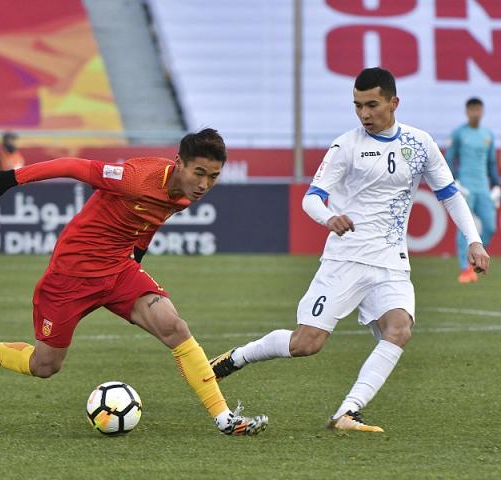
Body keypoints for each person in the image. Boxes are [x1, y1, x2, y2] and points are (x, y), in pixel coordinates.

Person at [210, 67, 490, 432]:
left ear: (394, 102)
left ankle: (347, 412)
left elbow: (450, 195)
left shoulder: (421, 144)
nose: (364, 113)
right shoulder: (346, 146)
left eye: (372, 105)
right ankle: (237, 358)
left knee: (399, 329)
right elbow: (312, 198)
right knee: (306, 343)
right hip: (345, 259)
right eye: (357, 105)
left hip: (391, 262)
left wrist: (473, 240)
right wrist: (329, 218)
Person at [0, 128, 268, 436]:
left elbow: (150, 220)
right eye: (199, 173)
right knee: (45, 365)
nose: (204, 185)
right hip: (71, 275)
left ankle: (224, 418)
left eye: (213, 177)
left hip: (119, 269)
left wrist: (138, 255)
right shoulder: (135, 178)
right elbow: (71, 166)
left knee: (175, 327)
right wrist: (10, 179)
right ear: (179, 163)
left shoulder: (185, 195)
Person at [446, 97, 499, 283]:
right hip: (465, 188)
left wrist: (497, 184)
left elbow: (491, 163)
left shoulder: (488, 135)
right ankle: (465, 268)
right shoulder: (459, 134)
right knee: (465, 228)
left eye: (478, 110)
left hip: (483, 188)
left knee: (490, 226)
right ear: (467, 112)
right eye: (472, 110)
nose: (475, 113)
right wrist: (454, 182)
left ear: (482, 111)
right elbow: (449, 159)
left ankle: (475, 256)